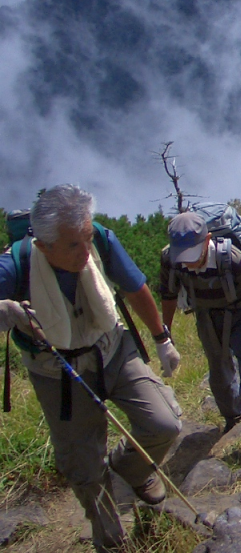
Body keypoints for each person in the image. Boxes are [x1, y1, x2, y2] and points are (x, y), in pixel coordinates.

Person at [0, 185, 182, 553]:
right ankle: (111, 541)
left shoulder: (98, 238)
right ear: (42, 246)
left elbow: (134, 287)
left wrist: (162, 339)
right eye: (73, 246)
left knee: (164, 422)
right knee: (83, 466)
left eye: (86, 239)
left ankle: (131, 468)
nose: (86, 253)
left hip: (111, 346)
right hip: (57, 371)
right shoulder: (13, 266)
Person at [159, 211, 241, 462]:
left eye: (193, 255)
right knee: (219, 374)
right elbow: (168, 294)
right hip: (206, 317)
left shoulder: (233, 260)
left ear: (208, 240)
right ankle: (233, 417)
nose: (188, 263)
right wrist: (165, 335)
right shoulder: (171, 259)